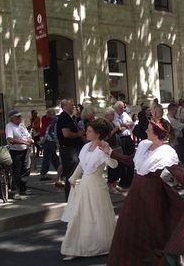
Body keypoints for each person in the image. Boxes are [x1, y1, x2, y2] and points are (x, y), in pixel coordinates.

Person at [100, 120, 184, 266]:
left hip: (152, 194)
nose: (146, 130)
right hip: (136, 192)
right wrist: (110, 152)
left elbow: (177, 173)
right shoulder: (144, 145)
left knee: (153, 230)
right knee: (128, 227)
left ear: (157, 133)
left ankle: (176, 253)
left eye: (149, 129)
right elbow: (131, 161)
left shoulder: (166, 152)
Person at [60, 119, 118, 261]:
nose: (86, 132)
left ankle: (105, 245)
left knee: (99, 215)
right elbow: (81, 164)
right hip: (85, 184)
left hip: (98, 186)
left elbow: (114, 165)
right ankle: (75, 248)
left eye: (90, 131)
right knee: (79, 215)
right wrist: (73, 178)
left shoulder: (103, 147)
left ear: (98, 134)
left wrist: (108, 152)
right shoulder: (86, 147)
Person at [57, 99, 84, 200]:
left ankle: (71, 194)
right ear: (65, 106)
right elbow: (66, 134)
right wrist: (79, 134)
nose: (73, 107)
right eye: (71, 105)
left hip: (71, 148)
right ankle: (69, 196)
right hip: (68, 149)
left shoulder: (69, 117)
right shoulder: (64, 117)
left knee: (72, 171)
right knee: (70, 172)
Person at [5, 109, 33, 200]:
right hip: (15, 151)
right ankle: (15, 191)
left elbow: (27, 135)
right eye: (18, 117)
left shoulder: (21, 125)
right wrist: (24, 142)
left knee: (26, 169)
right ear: (12, 118)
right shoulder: (9, 126)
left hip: (25, 150)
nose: (20, 118)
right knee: (16, 171)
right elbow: (10, 139)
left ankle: (22, 188)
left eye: (20, 116)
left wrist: (30, 139)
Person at [113, 101, 135, 189]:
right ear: (117, 108)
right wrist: (124, 125)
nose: (123, 109)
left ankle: (130, 179)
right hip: (121, 139)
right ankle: (123, 181)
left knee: (131, 158)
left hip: (128, 138)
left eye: (123, 107)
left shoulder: (125, 114)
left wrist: (125, 125)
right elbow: (119, 128)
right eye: (121, 107)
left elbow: (132, 123)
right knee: (122, 160)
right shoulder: (114, 116)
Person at [39, 108, 60, 181]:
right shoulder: (52, 121)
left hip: (49, 141)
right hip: (50, 141)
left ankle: (44, 173)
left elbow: (49, 132)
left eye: (48, 113)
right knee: (52, 157)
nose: (47, 115)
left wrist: (42, 140)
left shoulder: (53, 121)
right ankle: (60, 171)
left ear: (51, 114)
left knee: (49, 158)